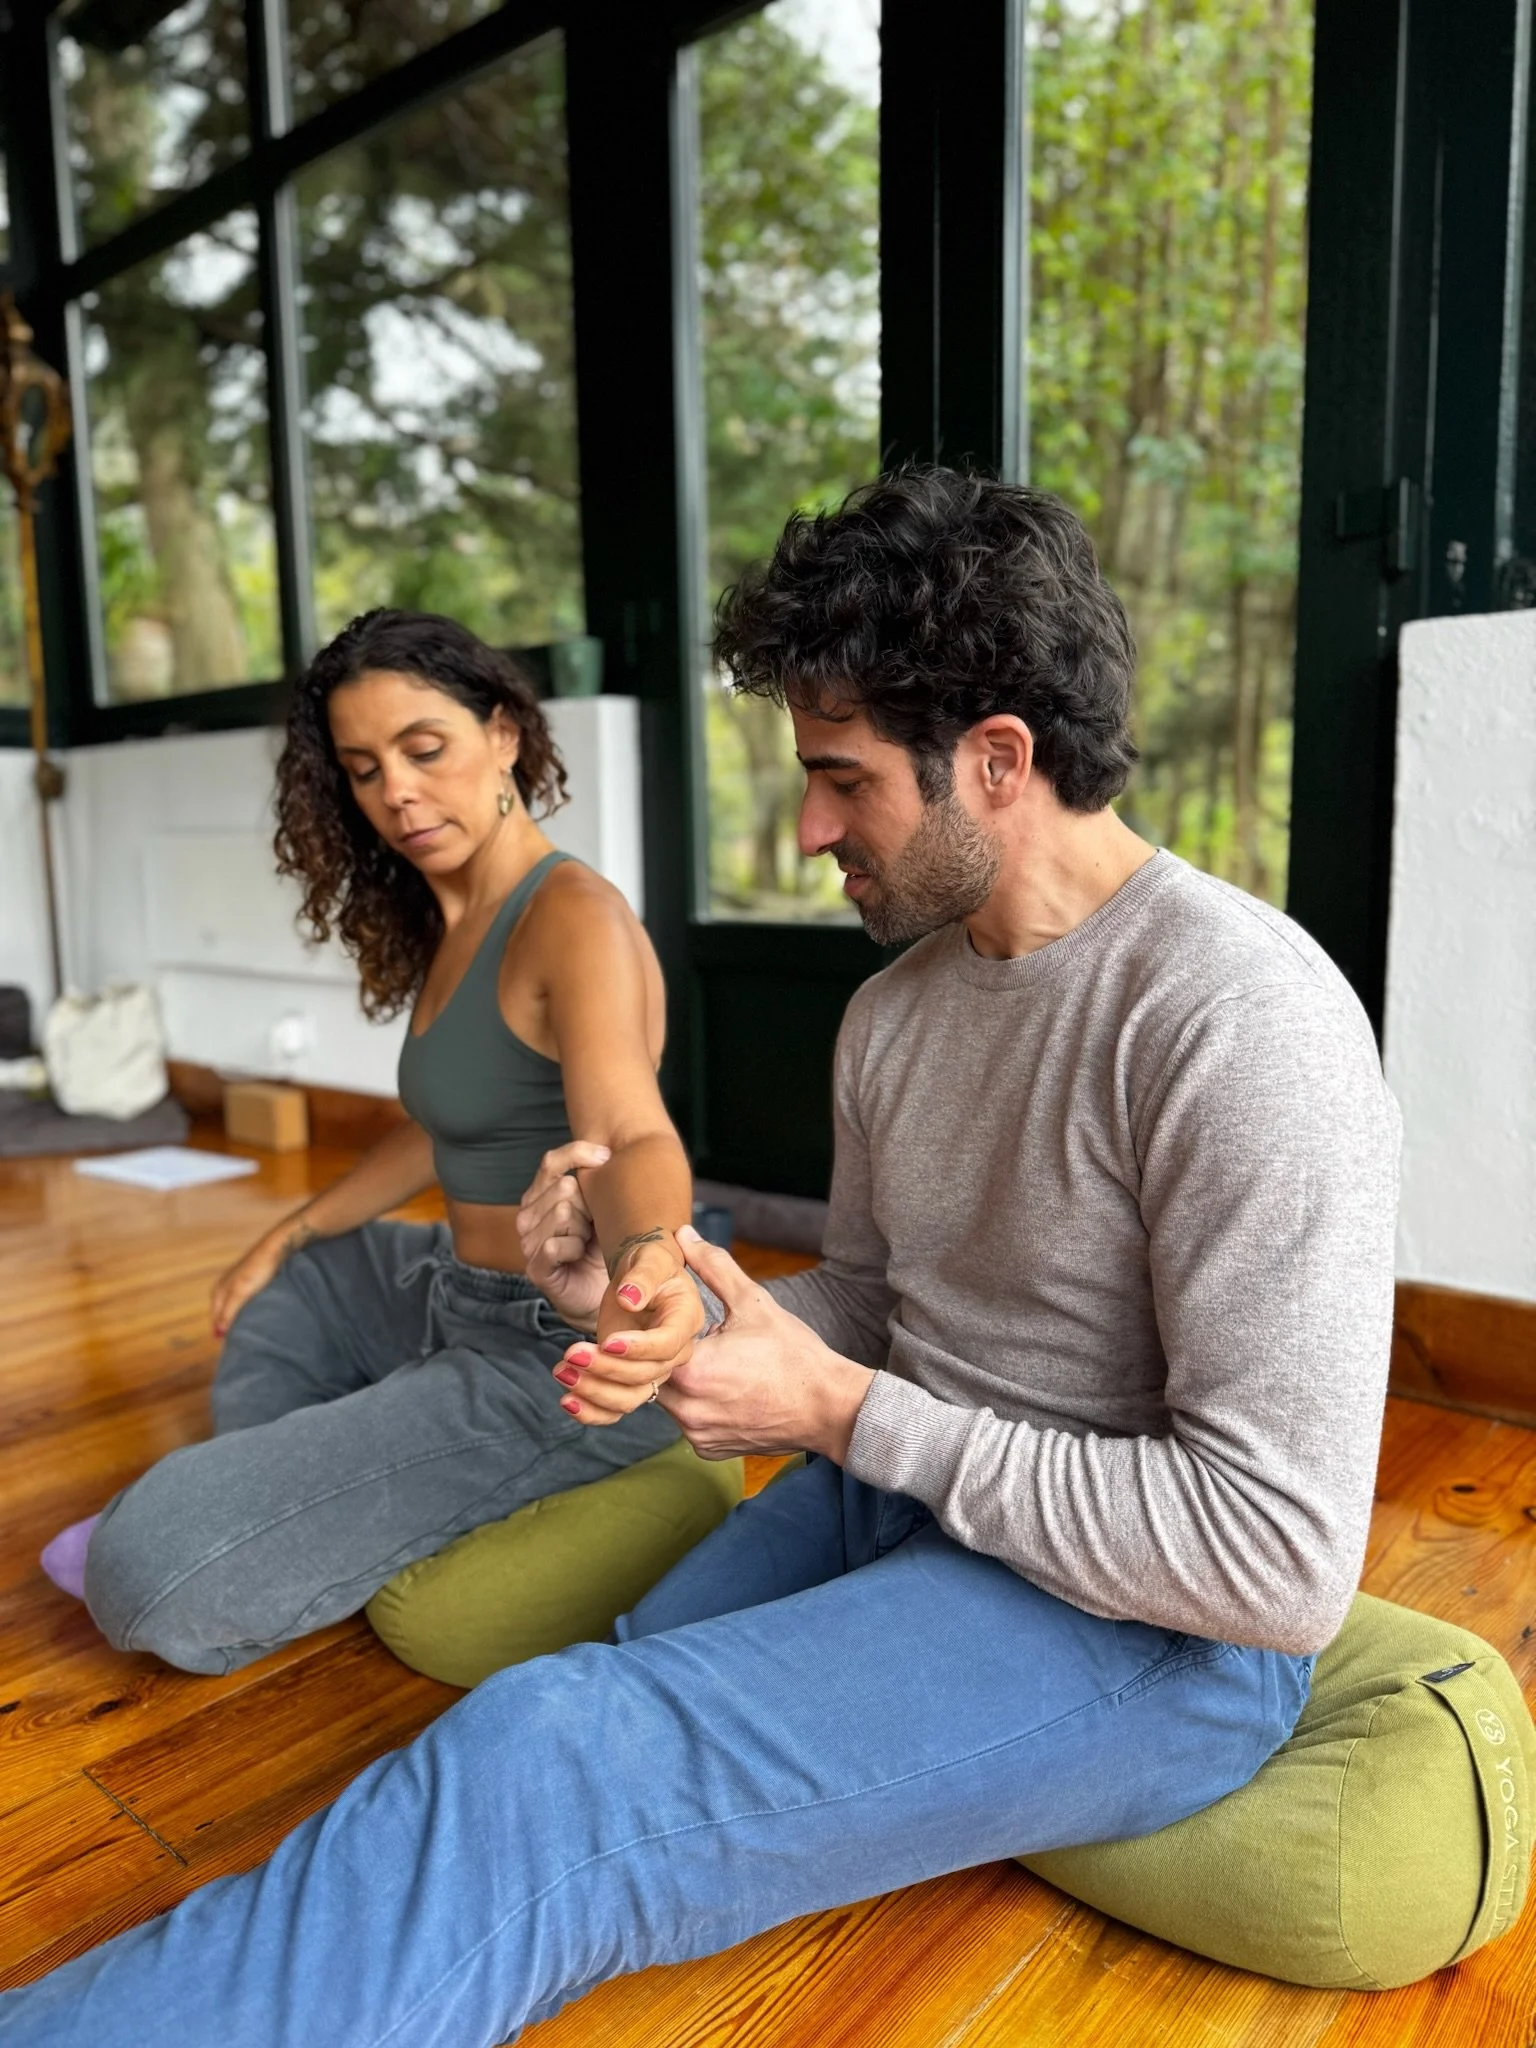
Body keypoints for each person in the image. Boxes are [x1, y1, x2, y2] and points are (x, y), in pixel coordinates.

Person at [3, 471, 1401, 2044]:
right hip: (904, 1502)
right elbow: (869, 1302)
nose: (808, 830)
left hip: (1155, 1634)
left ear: (999, 762)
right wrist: (645, 1312)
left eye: (842, 781)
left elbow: (1277, 1564)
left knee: (553, 1757)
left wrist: (846, 1415)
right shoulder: (895, 1014)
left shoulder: (1240, 1023)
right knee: (600, 1702)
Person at [40, 608, 704, 1675]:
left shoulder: (572, 915)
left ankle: (223, 1517)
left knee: (142, 1568)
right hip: (458, 1291)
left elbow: (628, 1134)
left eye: (424, 749)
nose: (396, 790)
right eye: (363, 768)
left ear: (503, 735)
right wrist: (292, 1230)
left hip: (558, 1346)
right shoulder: (457, 919)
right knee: (288, 1287)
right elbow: (439, 1124)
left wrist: (649, 1266)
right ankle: (299, 1499)